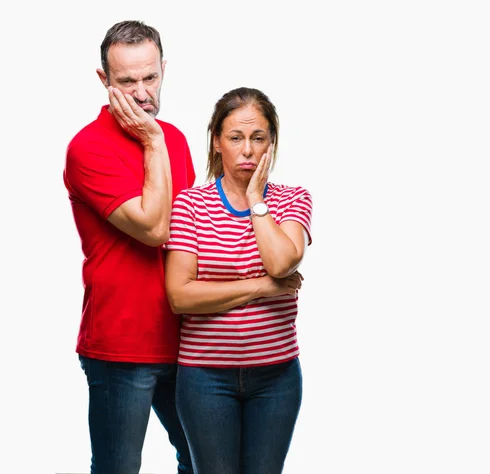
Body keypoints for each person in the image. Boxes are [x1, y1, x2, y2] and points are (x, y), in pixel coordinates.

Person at [63, 20, 195, 474]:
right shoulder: (88, 148)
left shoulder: (177, 140)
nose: (142, 94)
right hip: (120, 347)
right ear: (104, 81)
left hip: (186, 341)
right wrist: (153, 140)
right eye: (126, 81)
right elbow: (155, 229)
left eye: (150, 78)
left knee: (208, 462)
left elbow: (188, 236)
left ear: (163, 69)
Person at [164, 86, 312, 474]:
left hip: (276, 378)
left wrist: (256, 200)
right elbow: (180, 295)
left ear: (271, 144)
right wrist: (261, 287)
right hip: (204, 380)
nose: (247, 150)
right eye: (235, 137)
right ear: (216, 142)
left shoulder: (293, 199)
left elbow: (280, 262)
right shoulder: (190, 204)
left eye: (258, 138)